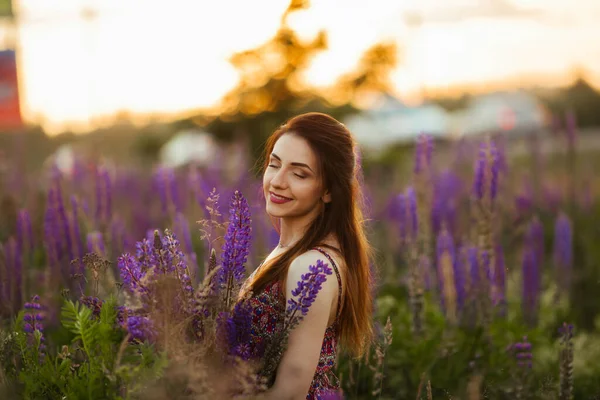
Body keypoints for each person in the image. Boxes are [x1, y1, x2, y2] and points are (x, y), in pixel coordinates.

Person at [238, 112, 375, 400]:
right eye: (274, 164)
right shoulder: (289, 252)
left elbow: (289, 394)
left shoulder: (312, 265)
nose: (277, 181)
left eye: (299, 174)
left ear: (327, 191)